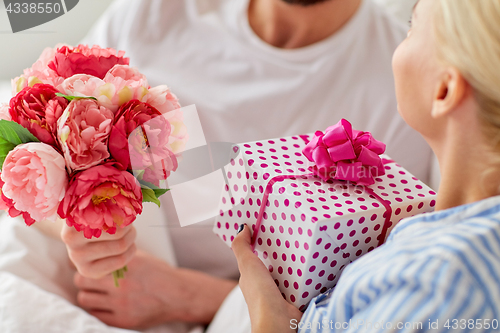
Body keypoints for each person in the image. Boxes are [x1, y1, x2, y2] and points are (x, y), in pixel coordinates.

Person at [51, 0, 433, 330]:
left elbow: (361, 306)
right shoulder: (153, 12)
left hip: (235, 309)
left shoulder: (404, 81)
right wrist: (77, 228)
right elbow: (43, 146)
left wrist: (187, 295)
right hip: (85, 275)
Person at [232, 0, 500, 331]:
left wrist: (268, 322)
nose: (399, 41)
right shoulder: (453, 243)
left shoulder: (435, 284)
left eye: (412, 27)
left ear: (444, 90)